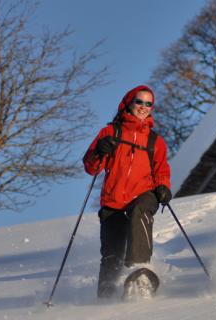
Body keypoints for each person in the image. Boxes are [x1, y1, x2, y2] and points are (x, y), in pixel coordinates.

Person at [83, 85, 172, 298]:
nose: (143, 107)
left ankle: (139, 268)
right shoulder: (110, 132)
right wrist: (100, 150)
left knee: (140, 210)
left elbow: (161, 170)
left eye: (148, 104)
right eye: (139, 102)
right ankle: (106, 297)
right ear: (128, 103)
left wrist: (163, 187)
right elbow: (91, 167)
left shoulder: (155, 141)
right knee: (111, 255)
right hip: (113, 200)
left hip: (143, 193)